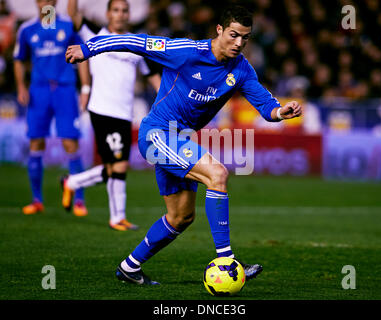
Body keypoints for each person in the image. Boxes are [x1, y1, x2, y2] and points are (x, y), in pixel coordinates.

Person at [66, 5, 302, 285]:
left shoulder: (241, 69)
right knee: (217, 174)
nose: (239, 43)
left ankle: (129, 267)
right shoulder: (185, 51)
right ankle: (227, 261)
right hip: (156, 135)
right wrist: (88, 48)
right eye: (234, 35)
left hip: (180, 140)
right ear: (219, 30)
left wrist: (279, 112)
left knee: (181, 217)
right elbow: (133, 41)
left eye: (246, 38)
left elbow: (265, 104)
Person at [60, 0, 161, 230]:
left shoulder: (137, 44)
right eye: (116, 10)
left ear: (129, 15)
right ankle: (117, 217)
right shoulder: (95, 33)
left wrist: (167, 98)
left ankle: (73, 181)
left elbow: (152, 75)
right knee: (119, 165)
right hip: (102, 109)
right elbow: (73, 13)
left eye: (125, 11)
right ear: (108, 14)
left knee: (113, 167)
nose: (120, 15)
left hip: (124, 113)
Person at [14, 0, 89, 216]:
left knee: (70, 143)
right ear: (37, 2)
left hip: (65, 90)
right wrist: (21, 86)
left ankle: (80, 200)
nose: (46, 2)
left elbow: (83, 57)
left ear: (55, 2)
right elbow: (19, 59)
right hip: (39, 91)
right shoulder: (27, 29)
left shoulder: (68, 25)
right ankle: (36, 199)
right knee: (36, 142)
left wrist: (84, 88)